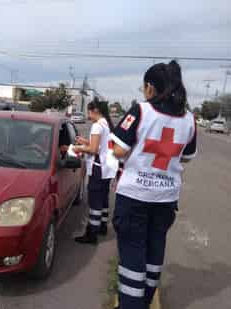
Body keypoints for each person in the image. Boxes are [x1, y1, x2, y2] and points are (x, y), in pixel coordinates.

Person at [111, 60, 197, 309]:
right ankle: (144, 302)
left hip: (135, 197)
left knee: (132, 255)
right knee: (154, 250)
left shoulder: (140, 110)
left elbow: (118, 150)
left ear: (150, 87)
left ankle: (129, 305)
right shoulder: (189, 119)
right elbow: (187, 157)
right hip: (166, 199)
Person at [73, 98, 115, 245]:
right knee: (103, 198)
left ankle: (92, 233)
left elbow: (94, 149)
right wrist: (85, 141)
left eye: (89, 111)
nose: (88, 115)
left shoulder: (97, 126)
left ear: (95, 110)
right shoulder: (107, 124)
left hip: (98, 167)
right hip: (107, 168)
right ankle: (102, 226)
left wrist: (76, 148)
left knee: (95, 201)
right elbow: (100, 145)